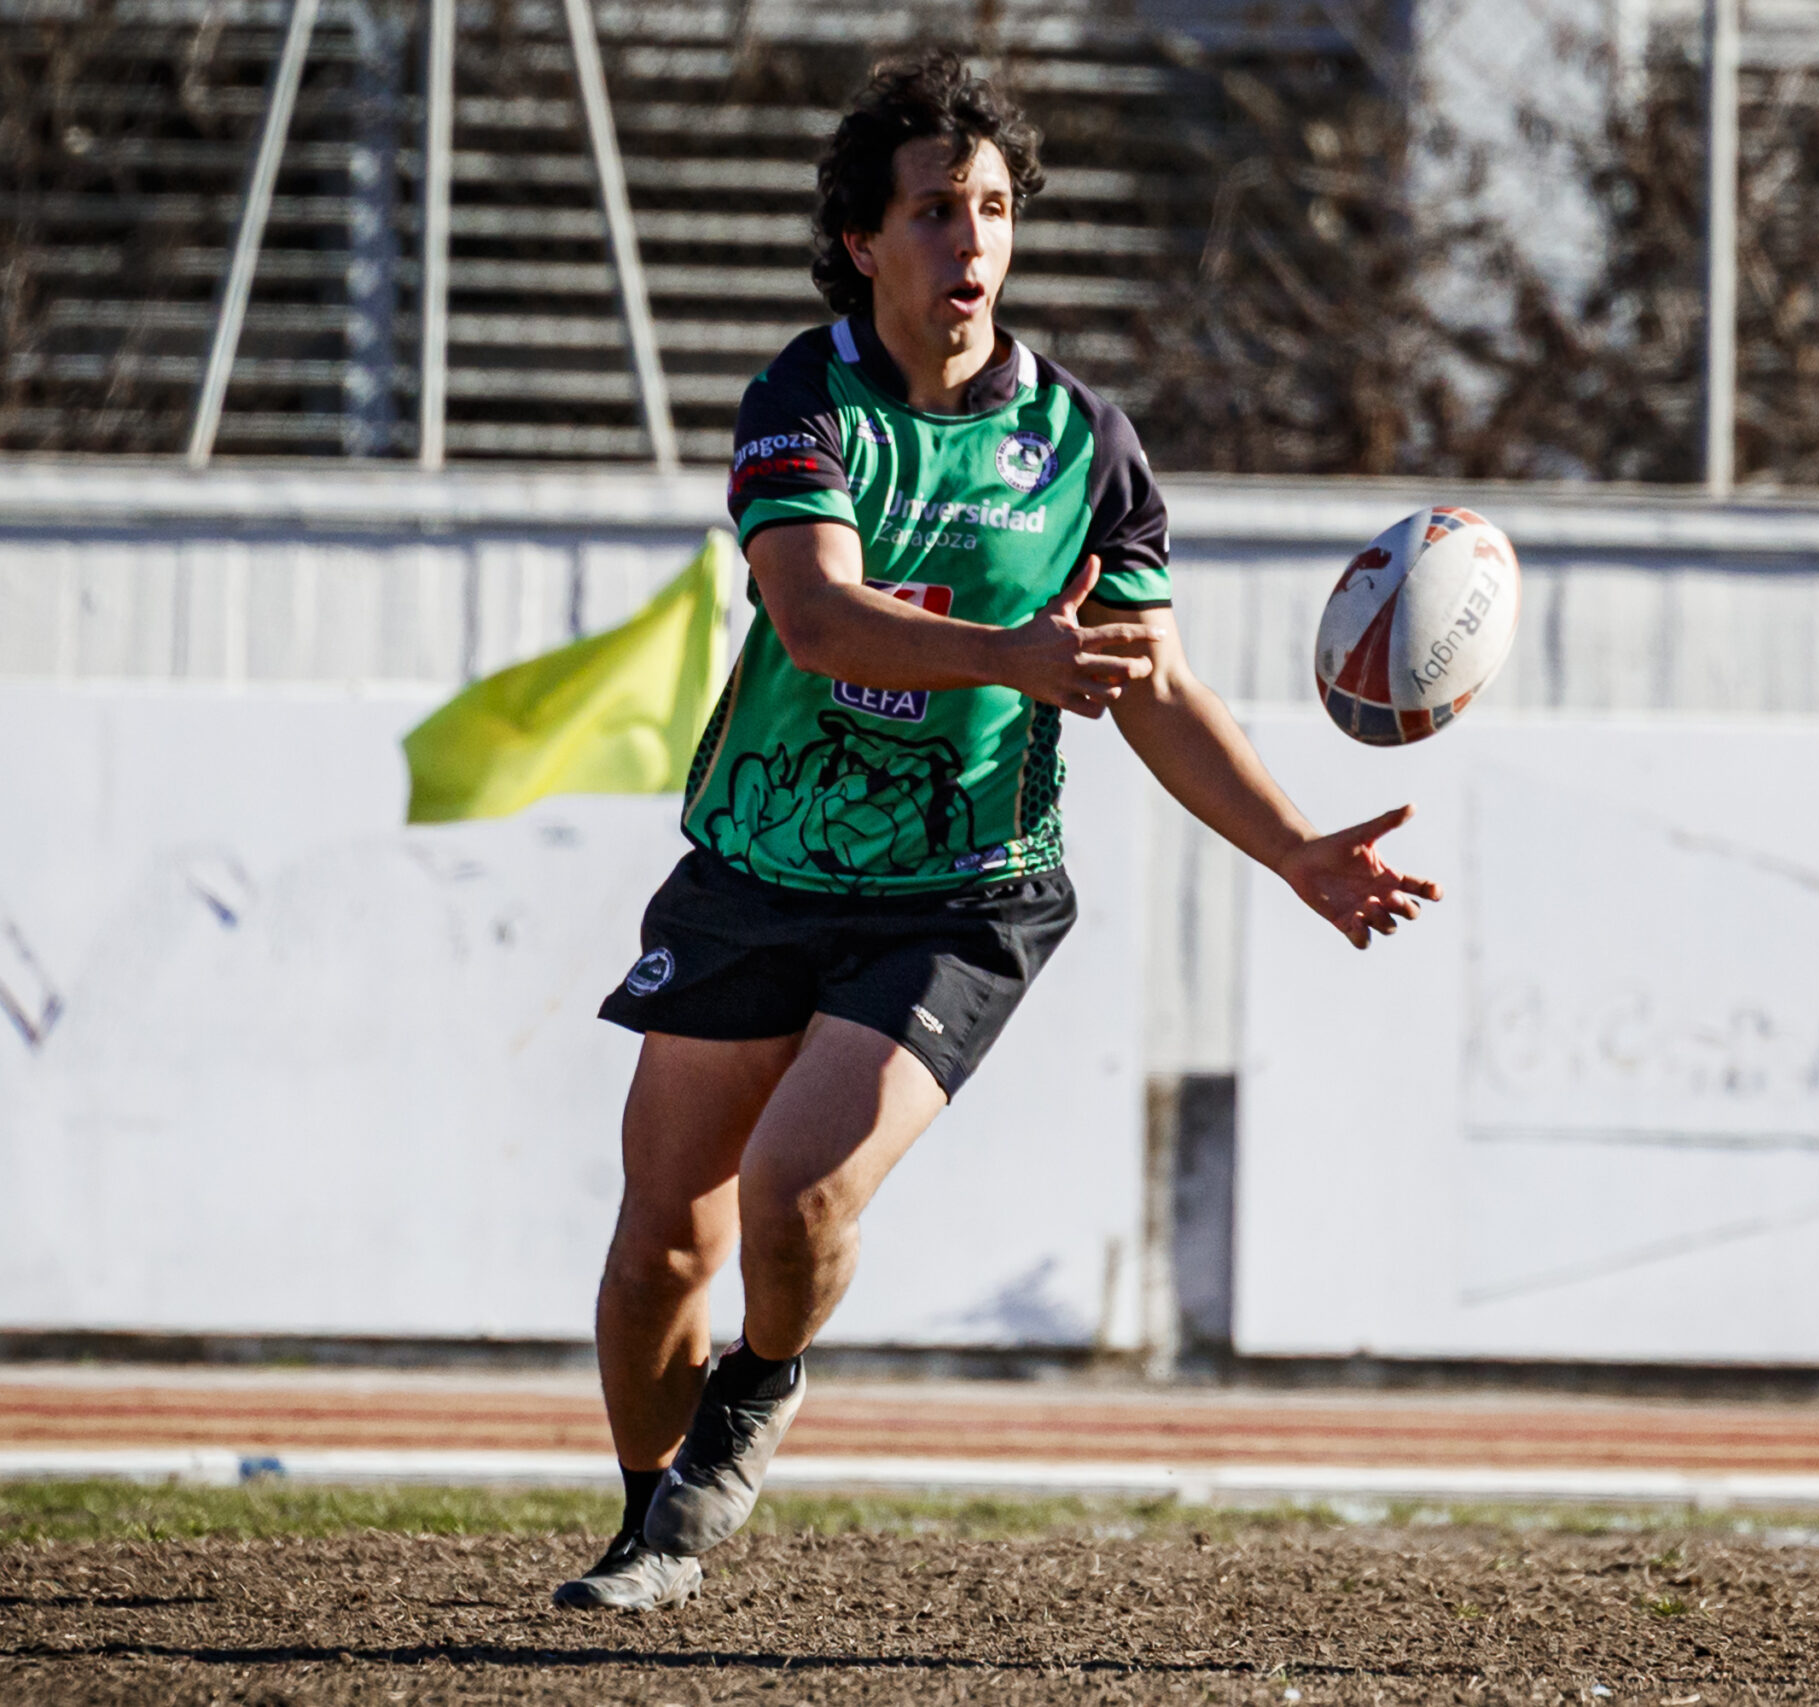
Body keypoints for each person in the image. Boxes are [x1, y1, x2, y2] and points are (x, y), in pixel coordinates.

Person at [552, 50, 1439, 1611]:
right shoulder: (801, 398)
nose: (971, 246)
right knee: (656, 1255)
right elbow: (817, 617)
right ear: (860, 244)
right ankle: (653, 1522)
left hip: (964, 893)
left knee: (800, 1195)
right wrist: (1014, 657)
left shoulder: (1085, 444)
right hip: (759, 865)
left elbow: (1146, 683)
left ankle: (758, 1389)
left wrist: (1297, 848)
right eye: (934, 214)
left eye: (992, 211)